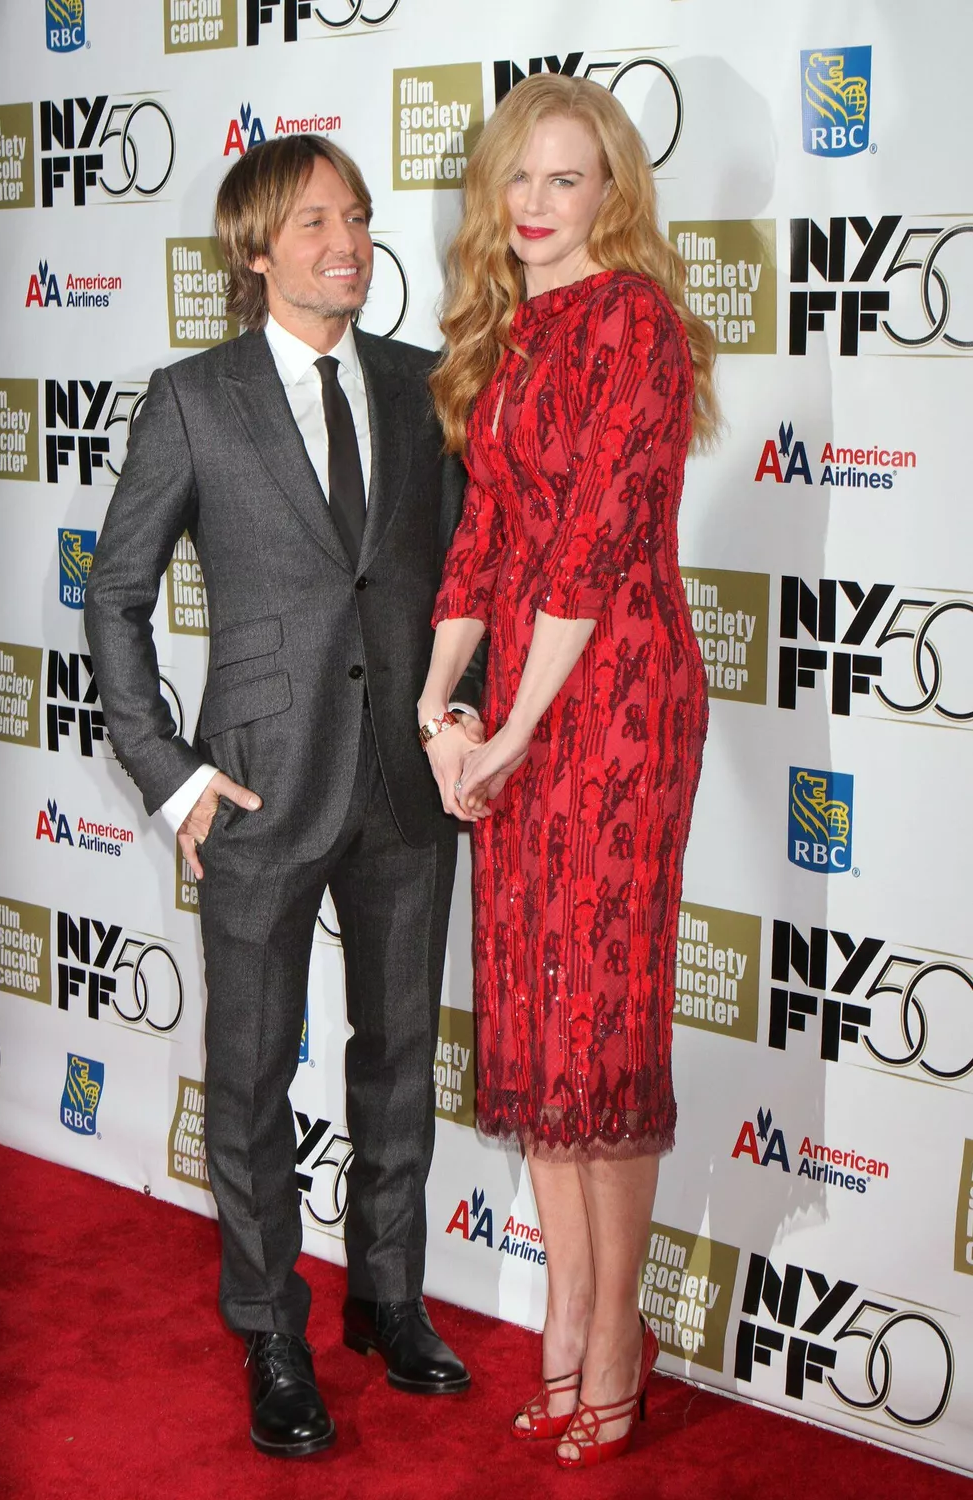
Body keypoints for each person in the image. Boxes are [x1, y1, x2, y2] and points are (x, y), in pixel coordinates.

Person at [84, 134, 484, 1459]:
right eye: (315, 222)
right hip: (254, 787)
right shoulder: (193, 399)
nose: (348, 243)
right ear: (256, 250)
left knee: (400, 1054)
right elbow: (116, 598)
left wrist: (464, 710)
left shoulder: (424, 386)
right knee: (251, 1074)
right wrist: (171, 774)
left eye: (357, 218)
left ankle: (386, 1297)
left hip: (406, 784)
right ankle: (270, 1330)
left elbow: (466, 576)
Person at [418, 75, 719, 1469]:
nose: (534, 204)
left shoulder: (635, 322)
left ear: (613, 195)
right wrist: (440, 705)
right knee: (538, 1022)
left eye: (566, 179)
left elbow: (594, 545)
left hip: (617, 700)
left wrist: (515, 727)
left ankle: (613, 1341)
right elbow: (484, 537)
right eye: (518, 178)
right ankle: (569, 1317)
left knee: (600, 1020)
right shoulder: (508, 332)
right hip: (521, 709)